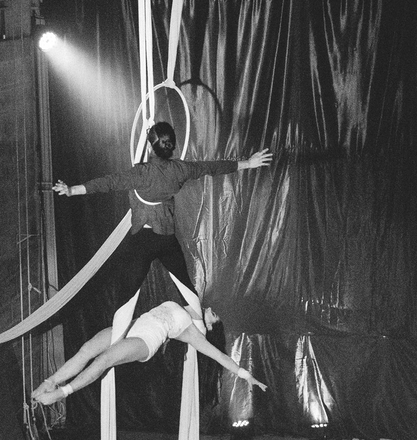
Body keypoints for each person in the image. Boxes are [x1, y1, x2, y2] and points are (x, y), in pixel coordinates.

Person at [53, 122, 272, 304]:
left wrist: (72, 190)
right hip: (166, 238)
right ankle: (200, 331)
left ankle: (118, 339)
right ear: (171, 145)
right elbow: (210, 167)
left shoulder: (141, 173)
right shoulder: (180, 169)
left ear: (150, 146)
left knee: (126, 299)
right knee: (187, 291)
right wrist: (248, 163)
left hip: (142, 239)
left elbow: (108, 183)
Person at [32, 301, 267, 405]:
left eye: (214, 316)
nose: (212, 310)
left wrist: (247, 375)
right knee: (86, 349)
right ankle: (50, 382)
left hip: (145, 341)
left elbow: (220, 357)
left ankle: (62, 393)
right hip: (129, 326)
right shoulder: (189, 299)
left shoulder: (194, 333)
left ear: (211, 327)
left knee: (104, 360)